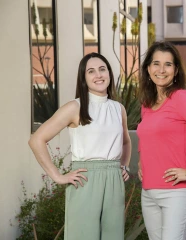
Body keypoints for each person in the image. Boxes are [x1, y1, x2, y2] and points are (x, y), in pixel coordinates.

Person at [28, 52, 131, 240]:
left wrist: (124, 165)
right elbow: (36, 140)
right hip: (85, 179)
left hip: (114, 180)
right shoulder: (74, 107)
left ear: (109, 72)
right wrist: (58, 176)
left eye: (102, 69)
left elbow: (125, 141)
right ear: (84, 79)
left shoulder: (118, 109)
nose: (98, 75)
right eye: (91, 71)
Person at [136, 41, 186, 240]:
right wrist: (140, 161)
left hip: (176, 193)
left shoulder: (180, 97)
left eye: (168, 64)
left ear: (176, 70)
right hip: (148, 191)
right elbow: (147, 136)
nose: (161, 70)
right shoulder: (147, 103)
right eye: (156, 63)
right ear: (148, 68)